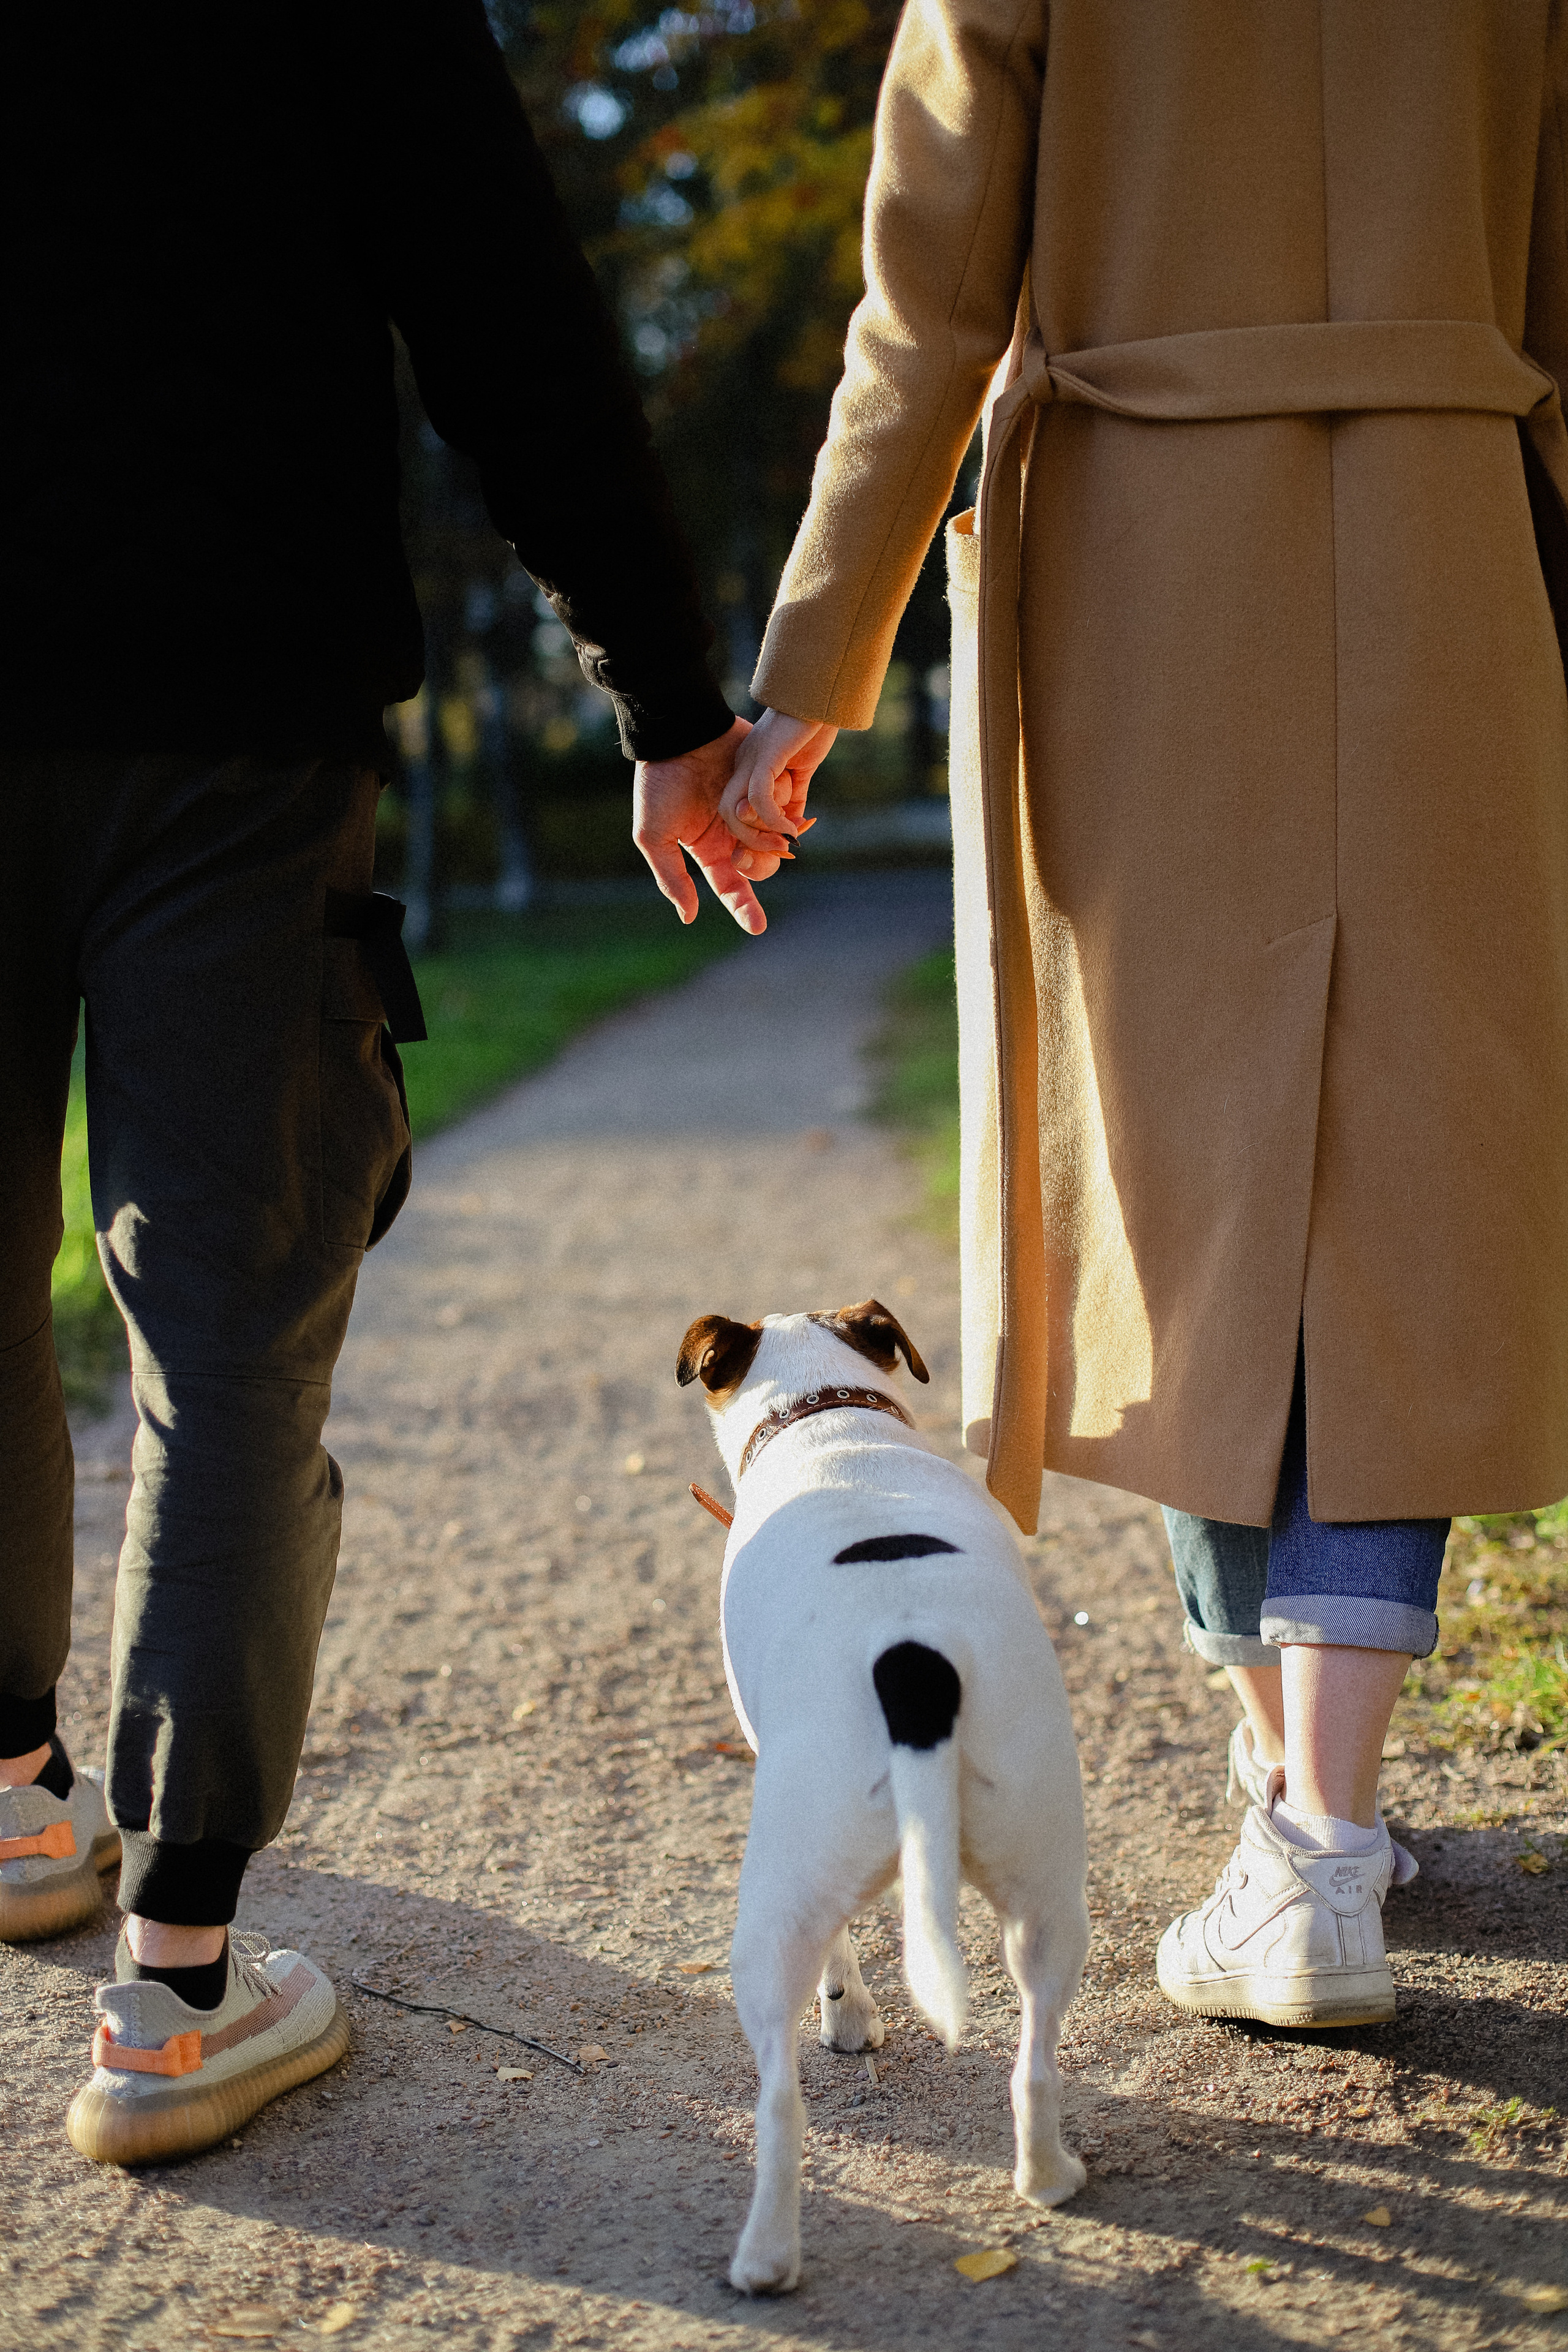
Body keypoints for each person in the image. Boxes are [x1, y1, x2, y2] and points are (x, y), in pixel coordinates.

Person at [713, 4, 1568, 2029]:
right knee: (1396, 1190)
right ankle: (1315, 1819)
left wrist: (807, 683)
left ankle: (1312, 1844)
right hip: (1457, 546)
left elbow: (925, 304)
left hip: (1149, 565)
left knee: (1189, 1170)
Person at [2, 0, 784, 2166]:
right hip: (233, 721)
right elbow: (502, 304)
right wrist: (664, 693)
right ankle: (174, 1994)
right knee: (229, 1325)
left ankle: (5, 1802)